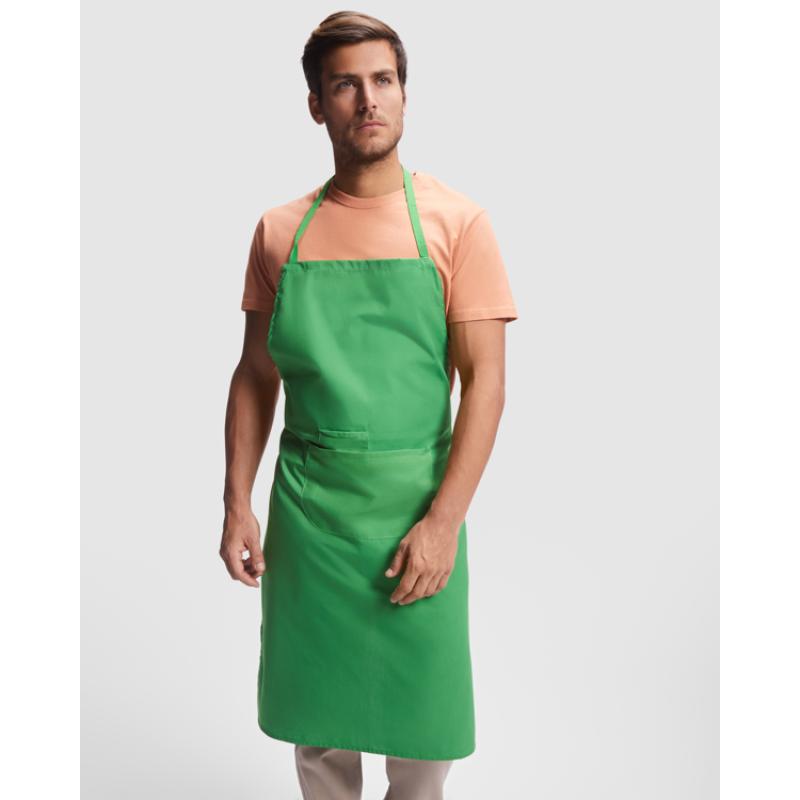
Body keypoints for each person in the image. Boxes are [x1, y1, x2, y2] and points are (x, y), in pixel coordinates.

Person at [220, 11, 518, 800]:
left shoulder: (458, 224)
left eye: (383, 80)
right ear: (316, 105)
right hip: (309, 514)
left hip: (415, 506)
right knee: (319, 732)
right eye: (345, 85)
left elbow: (486, 382)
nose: (368, 99)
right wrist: (237, 503)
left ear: (405, 94)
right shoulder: (280, 232)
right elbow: (255, 373)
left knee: (424, 736)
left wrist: (443, 523)